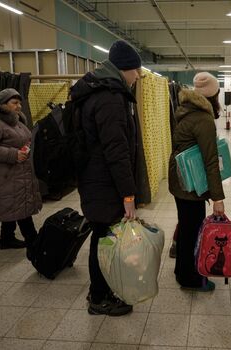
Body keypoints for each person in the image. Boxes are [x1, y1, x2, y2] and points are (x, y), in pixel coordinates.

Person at [71, 40, 142, 316]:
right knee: (103, 240)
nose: (137, 76)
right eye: (135, 71)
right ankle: (99, 298)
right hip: (104, 183)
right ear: (124, 69)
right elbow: (117, 151)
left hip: (94, 179)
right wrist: (128, 194)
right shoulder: (110, 98)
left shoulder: (97, 91)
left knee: (102, 237)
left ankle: (99, 291)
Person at [169, 72, 225, 292]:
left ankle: (181, 271)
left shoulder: (184, 109)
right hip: (191, 183)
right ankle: (190, 279)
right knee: (192, 230)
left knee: (186, 227)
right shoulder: (203, 118)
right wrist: (218, 197)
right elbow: (210, 161)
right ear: (213, 95)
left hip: (180, 179)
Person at [0, 88, 41, 253]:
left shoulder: (15, 121)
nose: (19, 106)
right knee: (20, 208)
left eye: (19, 103)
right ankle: (34, 241)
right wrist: (13, 154)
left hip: (16, 174)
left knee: (12, 206)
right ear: (2, 104)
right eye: (14, 103)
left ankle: (6, 238)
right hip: (6, 175)